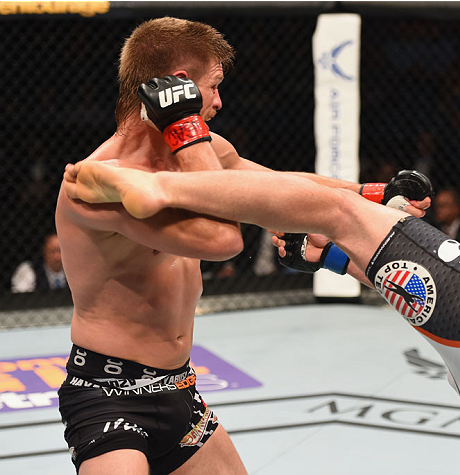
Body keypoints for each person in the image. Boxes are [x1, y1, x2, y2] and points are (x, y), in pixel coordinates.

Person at [62, 89, 460, 474]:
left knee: (339, 215)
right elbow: (449, 291)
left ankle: (158, 188)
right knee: (362, 238)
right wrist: (339, 263)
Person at [54, 17, 430, 475]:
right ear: (178, 86)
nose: (218, 101)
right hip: (106, 394)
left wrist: (374, 194)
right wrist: (187, 130)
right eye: (212, 86)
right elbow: (222, 239)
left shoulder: (202, 153)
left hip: (179, 387)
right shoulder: (95, 184)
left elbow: (280, 186)